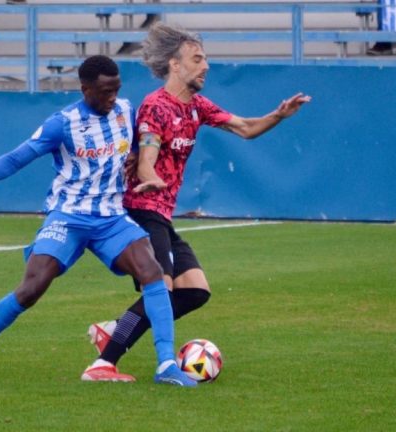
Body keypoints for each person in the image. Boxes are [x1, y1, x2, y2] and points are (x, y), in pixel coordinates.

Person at [0, 55, 198, 387]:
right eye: (105, 91)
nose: (112, 97)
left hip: (111, 218)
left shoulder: (125, 111)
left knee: (152, 270)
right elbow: (19, 156)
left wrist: (135, 157)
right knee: (32, 288)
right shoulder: (64, 122)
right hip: (69, 217)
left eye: (116, 89)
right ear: (85, 89)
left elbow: (142, 145)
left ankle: (166, 365)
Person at [80, 22, 311, 382]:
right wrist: (149, 173)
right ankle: (103, 364)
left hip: (162, 215)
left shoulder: (197, 105)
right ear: (175, 64)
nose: (205, 66)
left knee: (195, 291)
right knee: (162, 288)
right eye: (197, 59)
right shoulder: (156, 106)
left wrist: (278, 116)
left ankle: (115, 330)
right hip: (141, 211)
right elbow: (146, 158)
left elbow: (246, 128)